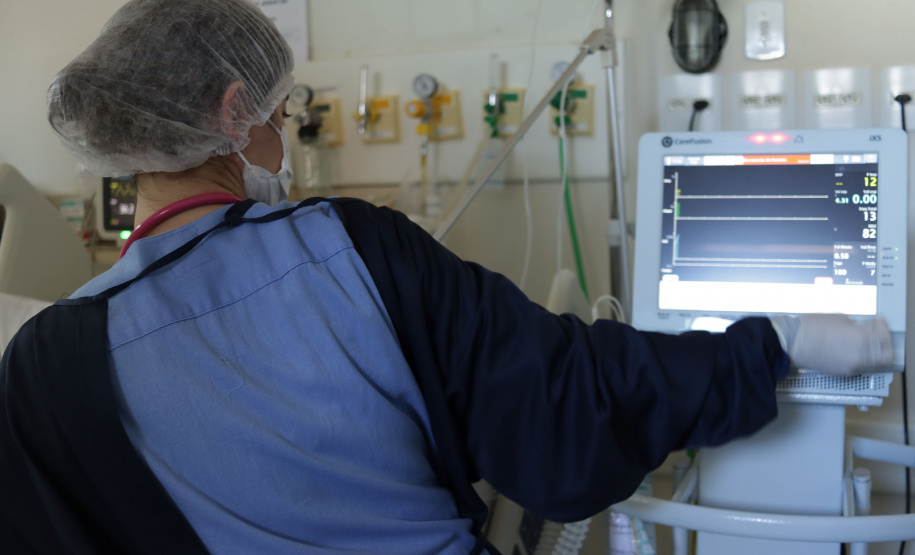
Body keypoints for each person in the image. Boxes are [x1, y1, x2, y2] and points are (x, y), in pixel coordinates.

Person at [0, 1, 894, 553]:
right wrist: (773, 344)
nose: (285, 130)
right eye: (281, 112)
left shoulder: (44, 359)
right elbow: (570, 400)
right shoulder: (348, 250)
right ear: (236, 115)